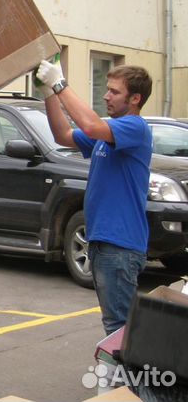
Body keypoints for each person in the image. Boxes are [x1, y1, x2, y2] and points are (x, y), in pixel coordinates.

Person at [35, 60, 153, 335]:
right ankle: (123, 377)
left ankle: (132, 379)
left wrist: (59, 84)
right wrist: (49, 95)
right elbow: (63, 135)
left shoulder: (135, 128)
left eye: (114, 92)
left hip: (120, 246)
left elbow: (89, 125)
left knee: (119, 328)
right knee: (115, 325)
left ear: (135, 99)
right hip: (103, 242)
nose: (105, 95)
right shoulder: (108, 133)